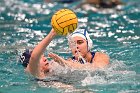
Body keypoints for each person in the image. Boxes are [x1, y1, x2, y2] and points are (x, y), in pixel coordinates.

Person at [19, 28, 109, 79]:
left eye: (80, 42)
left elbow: (98, 68)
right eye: (73, 44)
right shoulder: (69, 62)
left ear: (89, 44)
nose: (76, 46)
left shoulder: (100, 56)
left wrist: (64, 63)